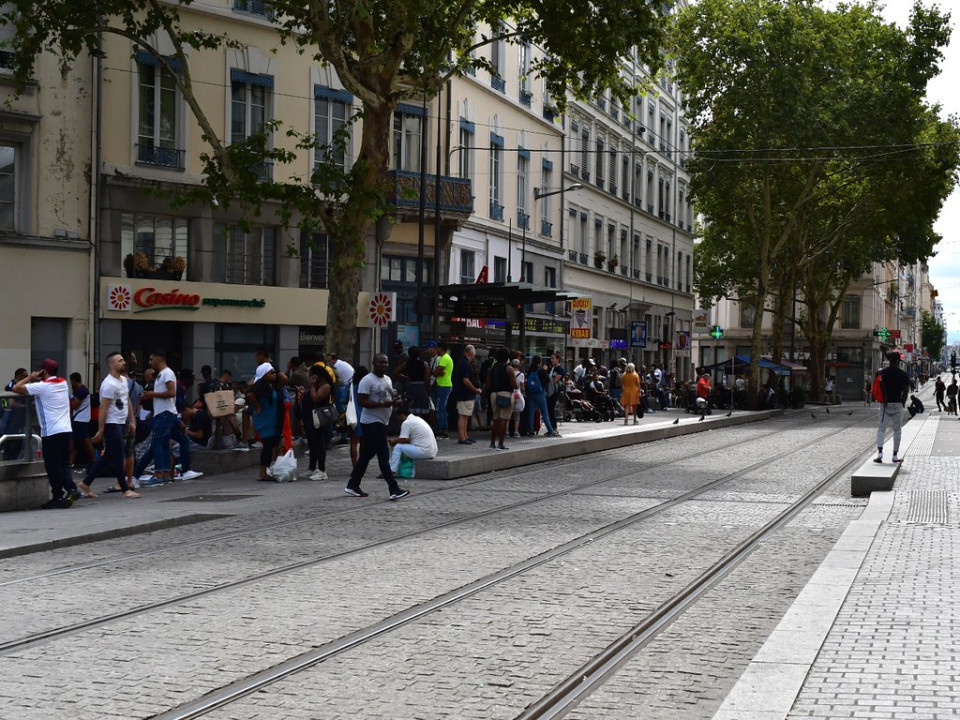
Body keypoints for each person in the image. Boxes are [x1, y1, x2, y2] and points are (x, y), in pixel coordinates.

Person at [10, 359, 80, 508]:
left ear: (44, 371)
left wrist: (30, 377)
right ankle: (71, 489)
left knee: (52, 466)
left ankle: (59, 495)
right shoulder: (63, 383)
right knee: (63, 464)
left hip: (51, 432)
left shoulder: (42, 387)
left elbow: (16, 388)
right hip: (66, 430)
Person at [345, 353, 409, 500]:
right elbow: (361, 401)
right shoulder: (367, 380)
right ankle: (393, 488)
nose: (384, 365)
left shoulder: (387, 379)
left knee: (366, 455)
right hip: (372, 423)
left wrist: (397, 401)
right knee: (383, 456)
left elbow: (390, 397)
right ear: (374, 363)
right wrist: (382, 404)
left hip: (383, 422)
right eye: (381, 362)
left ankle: (353, 484)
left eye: (386, 362)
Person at [80, 352, 140, 499]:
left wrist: (132, 421)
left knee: (108, 456)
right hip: (112, 423)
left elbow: (127, 401)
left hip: (122, 422)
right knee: (119, 455)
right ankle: (125, 489)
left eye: (123, 360)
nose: (123, 362)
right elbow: (103, 408)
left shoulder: (124, 381)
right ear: (111, 364)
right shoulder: (108, 384)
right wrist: (101, 430)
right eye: (120, 361)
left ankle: (86, 483)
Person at [140, 350, 190, 485]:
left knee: (157, 442)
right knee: (164, 443)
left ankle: (158, 475)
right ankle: (166, 473)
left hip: (164, 414)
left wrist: (152, 394)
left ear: (158, 359)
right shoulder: (162, 374)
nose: (149, 362)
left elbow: (171, 392)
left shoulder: (167, 373)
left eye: (151, 360)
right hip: (163, 413)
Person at [247, 363, 284, 481]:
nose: (274, 374)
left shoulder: (273, 385)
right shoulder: (260, 385)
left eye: (274, 372)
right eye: (271, 372)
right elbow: (249, 394)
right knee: (268, 445)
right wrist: (257, 405)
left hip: (274, 419)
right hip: (265, 420)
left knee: (277, 443)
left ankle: (273, 467)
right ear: (264, 374)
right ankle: (263, 473)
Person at [874, 351, 910, 464]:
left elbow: (877, 387)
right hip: (897, 404)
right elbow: (905, 391)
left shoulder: (882, 373)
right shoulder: (903, 374)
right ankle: (895, 455)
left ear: (889, 360)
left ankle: (880, 453)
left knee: (881, 429)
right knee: (897, 430)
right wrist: (902, 403)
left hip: (885, 404)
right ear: (898, 361)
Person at [300, 361, 335, 480]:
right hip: (309, 417)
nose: (310, 378)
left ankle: (322, 470)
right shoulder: (316, 385)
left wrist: (312, 386)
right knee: (312, 443)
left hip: (318, 418)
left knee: (319, 443)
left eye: (311, 376)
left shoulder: (325, 386)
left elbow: (316, 398)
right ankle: (312, 468)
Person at [389, 403, 438, 476]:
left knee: (398, 447)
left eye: (398, 418)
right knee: (402, 447)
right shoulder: (417, 419)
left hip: (424, 451)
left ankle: (391, 471)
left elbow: (403, 439)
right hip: (433, 451)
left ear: (402, 415)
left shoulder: (406, 423)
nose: (399, 421)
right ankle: (397, 468)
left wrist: (394, 441)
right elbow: (410, 439)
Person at [452, 344, 482, 444]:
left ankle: (465, 435)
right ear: (471, 353)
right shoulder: (464, 363)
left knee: (465, 415)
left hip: (465, 394)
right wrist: (475, 390)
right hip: (464, 394)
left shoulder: (463, 363)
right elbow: (465, 380)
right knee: (463, 415)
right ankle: (462, 437)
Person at [488, 347, 517, 450]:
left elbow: (488, 383)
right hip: (506, 394)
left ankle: (492, 443)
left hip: (494, 395)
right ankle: (501, 443)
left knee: (495, 419)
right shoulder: (509, 369)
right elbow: (514, 384)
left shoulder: (493, 368)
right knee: (504, 419)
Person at [525, 356, 560, 437]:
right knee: (544, 413)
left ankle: (531, 431)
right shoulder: (541, 371)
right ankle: (551, 430)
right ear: (539, 362)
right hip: (540, 393)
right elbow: (547, 381)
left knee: (531, 412)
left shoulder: (529, 371)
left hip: (530, 394)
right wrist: (545, 370)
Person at [326, 351, 354, 444]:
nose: (328, 363)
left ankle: (343, 436)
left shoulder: (336, 366)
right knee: (344, 411)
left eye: (329, 361)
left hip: (343, 388)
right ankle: (344, 434)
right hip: (347, 387)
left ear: (334, 359)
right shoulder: (342, 363)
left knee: (341, 412)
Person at [397, 346, 431, 419]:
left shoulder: (407, 363)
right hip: (421, 389)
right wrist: (428, 392)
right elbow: (427, 379)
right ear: (419, 354)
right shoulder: (424, 364)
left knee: (411, 411)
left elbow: (396, 372)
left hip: (411, 388)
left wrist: (405, 377)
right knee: (421, 413)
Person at [69, 371, 94, 470]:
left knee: (84, 439)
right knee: (76, 440)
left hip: (81, 419)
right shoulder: (79, 390)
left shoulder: (82, 391)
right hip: (79, 419)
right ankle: (72, 461)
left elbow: (74, 405)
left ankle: (93, 460)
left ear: (74, 381)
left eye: (71, 381)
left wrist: (71, 399)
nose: (71, 384)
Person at [431, 341, 454, 439]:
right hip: (443, 385)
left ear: (440, 348)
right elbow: (438, 372)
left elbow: (435, 373)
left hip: (444, 386)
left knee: (440, 408)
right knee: (442, 408)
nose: (436, 350)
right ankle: (443, 429)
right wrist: (438, 372)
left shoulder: (444, 358)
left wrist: (436, 372)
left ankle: (440, 430)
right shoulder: (446, 358)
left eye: (437, 348)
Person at [545, 352, 565, 430]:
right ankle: (550, 428)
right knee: (548, 410)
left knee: (551, 409)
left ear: (558, 359)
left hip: (554, 391)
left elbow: (555, 381)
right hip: (549, 391)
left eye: (553, 358)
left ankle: (554, 427)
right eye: (551, 358)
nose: (551, 360)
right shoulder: (552, 368)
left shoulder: (560, 370)